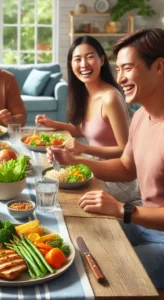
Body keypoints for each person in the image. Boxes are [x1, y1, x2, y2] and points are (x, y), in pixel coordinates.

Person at [47, 28, 164, 289]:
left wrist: (123, 210)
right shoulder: (142, 118)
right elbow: (125, 168)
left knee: (97, 273)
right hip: (143, 223)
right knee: (74, 242)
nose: (120, 78)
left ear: (159, 67)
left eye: (128, 68)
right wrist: (75, 161)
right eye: (119, 69)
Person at [36, 36, 137, 202]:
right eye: (77, 59)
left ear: (102, 60)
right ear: (71, 64)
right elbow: (85, 129)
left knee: (63, 195)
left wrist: (84, 149)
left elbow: (125, 148)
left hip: (117, 177)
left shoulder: (110, 98)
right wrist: (53, 124)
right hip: (95, 167)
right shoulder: (85, 94)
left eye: (90, 57)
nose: (83, 64)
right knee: (46, 178)